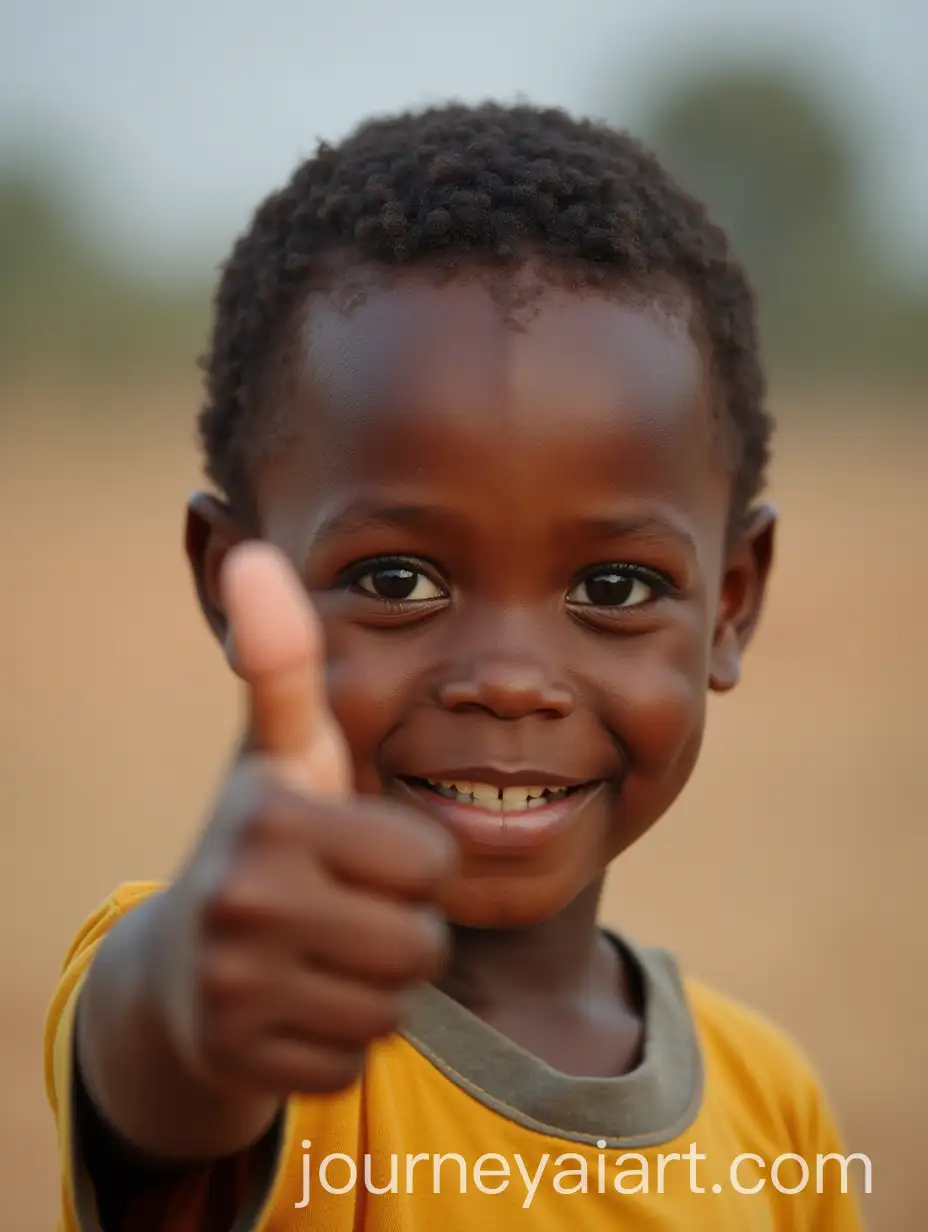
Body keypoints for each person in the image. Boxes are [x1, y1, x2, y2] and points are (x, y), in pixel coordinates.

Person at [44, 102, 864, 1231]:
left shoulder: (770, 1100)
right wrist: (186, 992)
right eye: (394, 580)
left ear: (729, 603)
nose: (510, 680)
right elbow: (165, 1057)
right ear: (233, 581)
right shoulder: (255, 1008)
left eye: (613, 589)